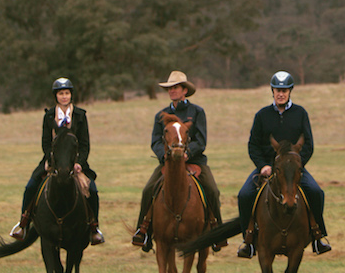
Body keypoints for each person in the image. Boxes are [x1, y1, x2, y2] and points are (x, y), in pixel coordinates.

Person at [236, 70, 331, 257]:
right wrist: (263, 165)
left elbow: (309, 144)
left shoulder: (300, 113)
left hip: (293, 169)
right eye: (277, 89)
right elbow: (253, 145)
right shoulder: (262, 115)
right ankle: (248, 240)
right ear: (272, 91)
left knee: (316, 192)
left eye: (285, 90)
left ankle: (318, 236)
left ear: (290, 91)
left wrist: (298, 165)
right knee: (244, 195)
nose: (281, 93)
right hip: (266, 168)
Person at [130, 70, 223, 251]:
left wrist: (188, 153)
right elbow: (156, 141)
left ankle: (216, 230)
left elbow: (201, 140)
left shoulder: (197, 112)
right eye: (170, 88)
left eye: (176, 88)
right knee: (148, 189)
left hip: (194, 162)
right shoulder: (161, 115)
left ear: (184, 91)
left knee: (212, 189)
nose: (172, 91)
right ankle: (143, 231)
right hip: (168, 163)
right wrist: (163, 155)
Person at [11, 77, 105, 246]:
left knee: (92, 189)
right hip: (53, 162)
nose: (64, 97)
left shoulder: (80, 115)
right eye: (61, 93)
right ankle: (23, 223)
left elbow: (85, 144)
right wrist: (49, 159)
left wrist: (79, 163)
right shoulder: (48, 116)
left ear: (71, 95)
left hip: (75, 163)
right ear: (56, 96)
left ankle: (94, 227)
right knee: (31, 186)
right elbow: (45, 142)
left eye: (67, 93)